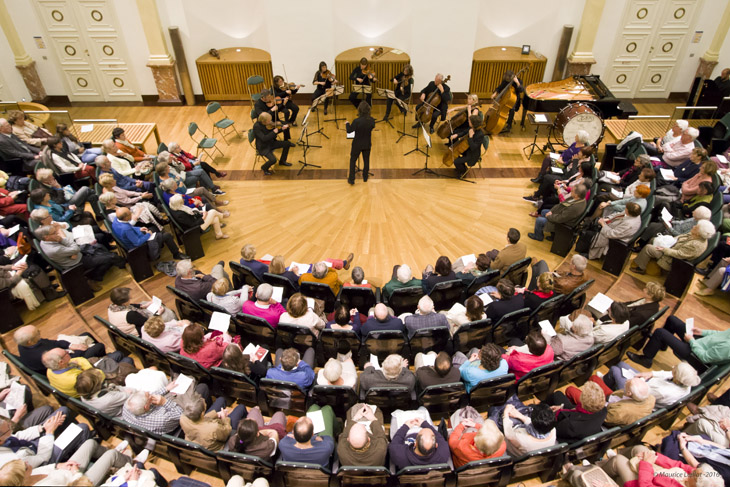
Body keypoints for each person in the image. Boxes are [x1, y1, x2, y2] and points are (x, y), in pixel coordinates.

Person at [36, 224, 124, 291]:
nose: (57, 234)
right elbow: (75, 247)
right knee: (111, 257)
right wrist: (64, 241)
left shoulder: (44, 241)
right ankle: (94, 277)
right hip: (77, 262)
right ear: (46, 237)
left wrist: (72, 250)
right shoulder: (54, 249)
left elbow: (73, 248)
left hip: (75, 255)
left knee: (99, 246)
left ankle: (97, 272)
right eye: (54, 233)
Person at [628, 315, 730, 367]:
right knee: (672, 320)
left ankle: (646, 359)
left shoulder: (727, 348)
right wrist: (702, 332)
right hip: (701, 342)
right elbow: (719, 334)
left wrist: (691, 341)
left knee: (660, 332)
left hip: (694, 354)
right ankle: (661, 344)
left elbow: (704, 358)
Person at [600, 361, 700, 409]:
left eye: (675, 368)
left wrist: (637, 380)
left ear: (677, 377)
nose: (672, 367)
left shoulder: (664, 392)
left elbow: (640, 395)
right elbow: (668, 373)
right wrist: (651, 374)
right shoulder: (685, 381)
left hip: (638, 395)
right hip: (647, 384)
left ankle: (604, 390)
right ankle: (608, 381)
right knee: (621, 364)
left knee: (614, 370)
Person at [630, 220, 715, 274]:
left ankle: (641, 268)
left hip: (671, 260)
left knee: (648, 248)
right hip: (673, 246)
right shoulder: (696, 234)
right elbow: (681, 237)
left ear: (699, 233)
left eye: (696, 227)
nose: (693, 227)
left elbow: (679, 254)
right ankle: (646, 259)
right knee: (654, 239)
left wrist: (664, 249)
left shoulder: (696, 245)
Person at [111, 207, 189, 261]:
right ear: (125, 217)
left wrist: (139, 228)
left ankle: (159, 243)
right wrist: (148, 234)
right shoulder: (126, 229)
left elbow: (130, 227)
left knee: (152, 227)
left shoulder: (116, 220)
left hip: (135, 236)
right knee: (167, 236)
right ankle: (176, 254)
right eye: (130, 214)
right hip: (140, 248)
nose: (131, 214)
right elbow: (137, 243)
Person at [180, 395, 246, 451]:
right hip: (217, 447)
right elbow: (227, 431)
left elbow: (201, 420)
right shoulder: (213, 428)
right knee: (241, 407)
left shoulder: (183, 418)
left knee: (221, 399)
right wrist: (224, 418)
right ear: (202, 413)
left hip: (198, 441)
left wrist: (216, 414)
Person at [0, 253, 65, 309]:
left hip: (8, 275)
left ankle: (46, 287)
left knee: (29, 263)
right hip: (7, 290)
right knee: (33, 271)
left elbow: (1, 267)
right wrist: (19, 272)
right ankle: (50, 294)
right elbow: (10, 283)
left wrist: (13, 267)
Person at [107, 286, 176, 337]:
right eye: (129, 298)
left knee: (144, 303)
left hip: (132, 323)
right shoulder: (130, 315)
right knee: (168, 314)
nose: (131, 298)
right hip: (139, 332)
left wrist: (142, 306)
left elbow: (129, 306)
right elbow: (149, 323)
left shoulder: (112, 307)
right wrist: (158, 313)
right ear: (123, 303)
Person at [253, 111, 293, 175]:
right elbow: (264, 138)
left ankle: (282, 161)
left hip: (270, 142)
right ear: (264, 121)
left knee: (287, 144)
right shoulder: (257, 127)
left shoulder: (266, 124)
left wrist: (282, 129)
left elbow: (273, 132)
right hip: (263, 147)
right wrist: (273, 132)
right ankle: (264, 167)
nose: (271, 122)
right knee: (273, 160)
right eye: (269, 121)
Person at [346, 101, 375, 185]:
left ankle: (351, 179)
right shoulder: (372, 120)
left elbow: (349, 131)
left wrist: (347, 124)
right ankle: (365, 177)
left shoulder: (356, 121)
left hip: (357, 144)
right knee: (366, 160)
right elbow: (372, 126)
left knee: (353, 160)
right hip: (367, 143)